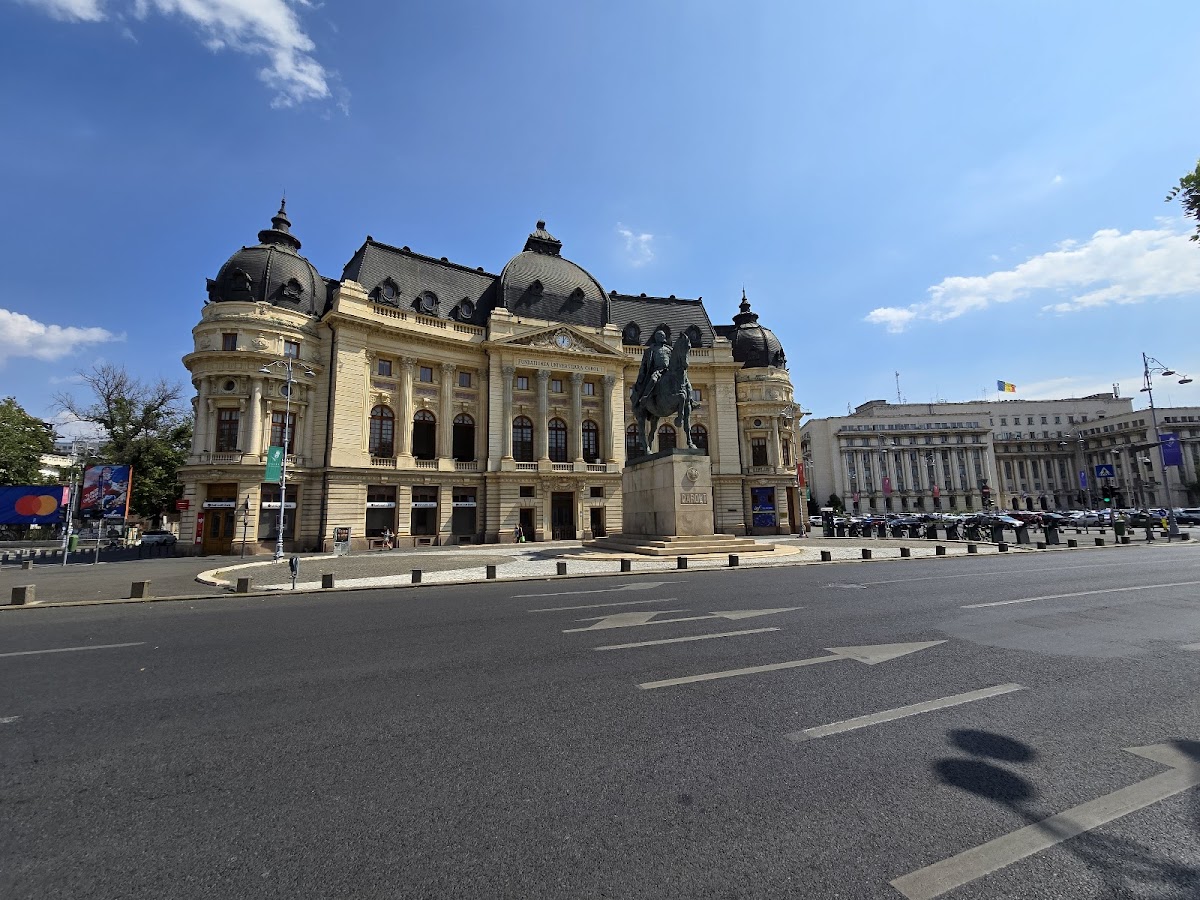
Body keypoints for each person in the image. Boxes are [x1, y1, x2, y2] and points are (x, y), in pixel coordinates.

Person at [629, 326, 671, 414]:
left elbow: (675, 361)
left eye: (662, 336)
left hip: (668, 371)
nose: (661, 338)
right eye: (659, 336)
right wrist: (640, 380)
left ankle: (690, 400)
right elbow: (644, 365)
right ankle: (645, 397)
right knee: (653, 379)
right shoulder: (651, 350)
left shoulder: (669, 350)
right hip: (657, 371)